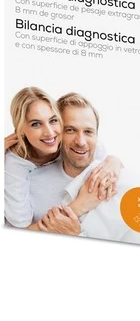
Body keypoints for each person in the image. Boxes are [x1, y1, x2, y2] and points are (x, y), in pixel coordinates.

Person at [32, 93, 140, 245]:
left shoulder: (127, 188)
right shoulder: (33, 184)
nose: (81, 142)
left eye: (88, 132)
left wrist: (77, 236)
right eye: (70, 130)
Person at [4, 87, 121, 229]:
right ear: (21, 129)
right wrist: (79, 205)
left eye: (53, 120)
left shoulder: (66, 143)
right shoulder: (15, 164)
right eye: (36, 124)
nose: (49, 132)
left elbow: (102, 155)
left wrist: (114, 162)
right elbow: (20, 228)